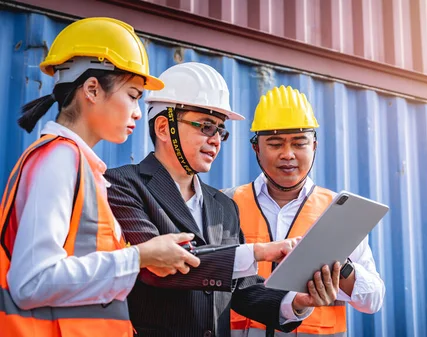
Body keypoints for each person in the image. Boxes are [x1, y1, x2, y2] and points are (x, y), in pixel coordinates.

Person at [105, 62, 341, 337]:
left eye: (220, 130)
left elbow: (243, 289)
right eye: (206, 126)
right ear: (162, 127)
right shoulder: (122, 185)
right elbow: (160, 267)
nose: (216, 139)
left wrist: (297, 302)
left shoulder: (223, 206)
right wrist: (258, 252)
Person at [0, 17, 201, 337]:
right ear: (92, 89)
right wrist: (139, 256)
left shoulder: (79, 165)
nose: (138, 111)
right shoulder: (59, 160)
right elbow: (31, 283)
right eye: (133, 95)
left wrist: (141, 260)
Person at [224, 85, 386, 337]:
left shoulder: (339, 212)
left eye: (299, 143)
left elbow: (373, 300)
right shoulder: (226, 204)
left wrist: (341, 268)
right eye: (275, 143)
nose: (287, 155)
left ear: (314, 146)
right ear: (256, 148)